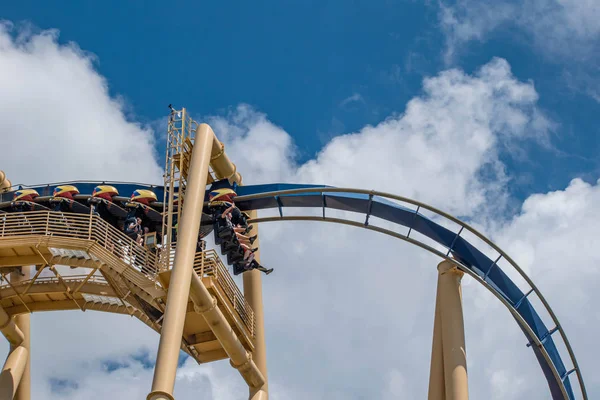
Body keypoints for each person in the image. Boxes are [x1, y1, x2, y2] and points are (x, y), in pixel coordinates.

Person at [208, 188, 272, 275]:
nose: (230, 215)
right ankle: (249, 243)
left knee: (250, 256)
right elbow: (224, 215)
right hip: (225, 231)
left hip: (232, 235)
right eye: (229, 214)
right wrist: (231, 207)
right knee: (236, 234)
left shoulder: (229, 222)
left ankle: (263, 269)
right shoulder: (221, 217)